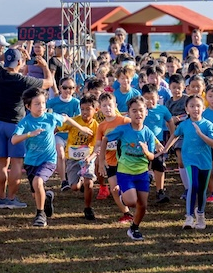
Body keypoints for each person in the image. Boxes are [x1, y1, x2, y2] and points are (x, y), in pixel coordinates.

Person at [11, 87, 88, 227]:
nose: (41, 106)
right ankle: (46, 198)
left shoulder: (51, 117)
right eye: (37, 104)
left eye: (43, 103)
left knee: (38, 182)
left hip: (48, 160)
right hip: (31, 161)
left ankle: (40, 215)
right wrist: (29, 134)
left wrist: (81, 128)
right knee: (36, 193)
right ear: (28, 106)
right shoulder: (25, 122)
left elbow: (66, 119)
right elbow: (14, 139)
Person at [0, 47, 53, 209]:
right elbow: (49, 83)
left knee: (1, 162)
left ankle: (1, 197)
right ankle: (11, 198)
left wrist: (10, 52)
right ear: (20, 62)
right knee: (17, 162)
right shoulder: (23, 81)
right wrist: (45, 66)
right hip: (16, 125)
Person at [103, 96, 158, 241]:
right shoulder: (123, 130)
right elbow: (105, 139)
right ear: (128, 113)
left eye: (141, 110)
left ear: (146, 112)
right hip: (125, 172)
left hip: (142, 173)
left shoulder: (148, 133)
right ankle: (122, 195)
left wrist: (146, 152)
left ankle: (134, 228)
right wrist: (102, 159)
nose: (138, 113)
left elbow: (152, 156)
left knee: (143, 205)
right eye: (134, 111)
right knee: (132, 202)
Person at [161, 94, 213, 229]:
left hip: (205, 161)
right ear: (187, 109)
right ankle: (189, 217)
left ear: (203, 108)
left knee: (202, 190)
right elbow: (175, 136)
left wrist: (201, 134)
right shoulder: (184, 124)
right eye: (192, 106)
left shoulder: (208, 125)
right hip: (189, 159)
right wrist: (165, 149)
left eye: (198, 106)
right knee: (193, 185)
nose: (195, 109)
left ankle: (200, 214)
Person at [59, 95, 99, 220]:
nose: (85, 112)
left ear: (95, 110)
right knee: (74, 187)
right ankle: (80, 183)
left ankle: (88, 208)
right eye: (82, 109)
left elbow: (97, 147)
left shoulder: (96, 126)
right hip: (72, 157)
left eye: (88, 109)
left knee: (89, 183)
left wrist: (90, 157)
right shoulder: (75, 121)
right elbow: (60, 127)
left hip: (87, 158)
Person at [96, 92, 133, 223]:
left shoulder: (124, 121)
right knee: (114, 189)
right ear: (100, 108)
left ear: (115, 105)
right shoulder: (101, 126)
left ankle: (136, 205)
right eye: (104, 105)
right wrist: (99, 156)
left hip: (126, 161)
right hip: (111, 162)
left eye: (110, 105)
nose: (107, 108)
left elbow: (138, 132)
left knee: (126, 187)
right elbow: (98, 144)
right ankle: (126, 213)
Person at [141, 83, 174, 204]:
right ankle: (141, 188)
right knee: (143, 165)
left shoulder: (162, 109)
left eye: (152, 98)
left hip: (158, 143)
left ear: (158, 97)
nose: (150, 101)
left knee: (159, 165)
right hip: (141, 142)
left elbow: (170, 122)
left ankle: (160, 190)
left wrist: (172, 138)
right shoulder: (140, 111)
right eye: (146, 98)